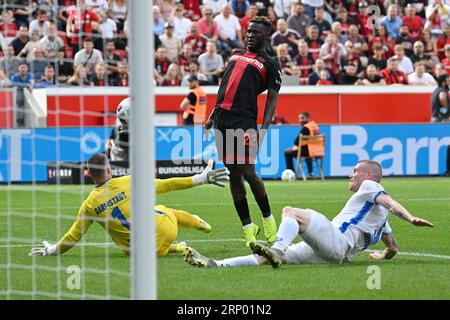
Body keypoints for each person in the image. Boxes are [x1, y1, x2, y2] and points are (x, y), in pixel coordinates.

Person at [184, 160, 434, 268]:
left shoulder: (371, 187)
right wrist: (381, 256)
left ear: (369, 176)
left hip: (337, 242)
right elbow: (393, 248)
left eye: (356, 170)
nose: (351, 174)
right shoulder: (380, 220)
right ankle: (216, 264)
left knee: (291, 212)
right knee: (262, 259)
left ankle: (277, 249)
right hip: (333, 255)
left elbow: (389, 202)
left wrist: (410, 217)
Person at [29, 154, 230, 257]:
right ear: (109, 169)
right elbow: (167, 184)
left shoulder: (88, 205)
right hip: (165, 231)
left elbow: (73, 237)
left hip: (137, 251)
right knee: (167, 211)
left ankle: (176, 248)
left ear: (89, 174)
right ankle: (200, 224)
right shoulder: (129, 181)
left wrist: (52, 250)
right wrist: (200, 179)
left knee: (125, 242)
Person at [204, 16, 282, 246]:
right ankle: (248, 228)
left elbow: (271, 100)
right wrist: (212, 114)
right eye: (249, 31)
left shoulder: (270, 64)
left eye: (256, 32)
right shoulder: (235, 53)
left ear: (266, 37)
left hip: (244, 121)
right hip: (222, 118)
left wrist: (264, 128)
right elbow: (224, 87)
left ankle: (268, 221)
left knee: (248, 172)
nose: (250, 35)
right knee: (234, 173)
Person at [284, 112, 320, 178]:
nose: (300, 120)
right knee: (305, 149)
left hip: (308, 152)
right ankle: (311, 173)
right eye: (299, 118)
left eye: (302, 118)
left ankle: (291, 174)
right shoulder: (315, 126)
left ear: (308, 118)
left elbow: (296, 142)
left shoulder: (305, 128)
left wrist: (297, 146)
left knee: (287, 152)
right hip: (317, 151)